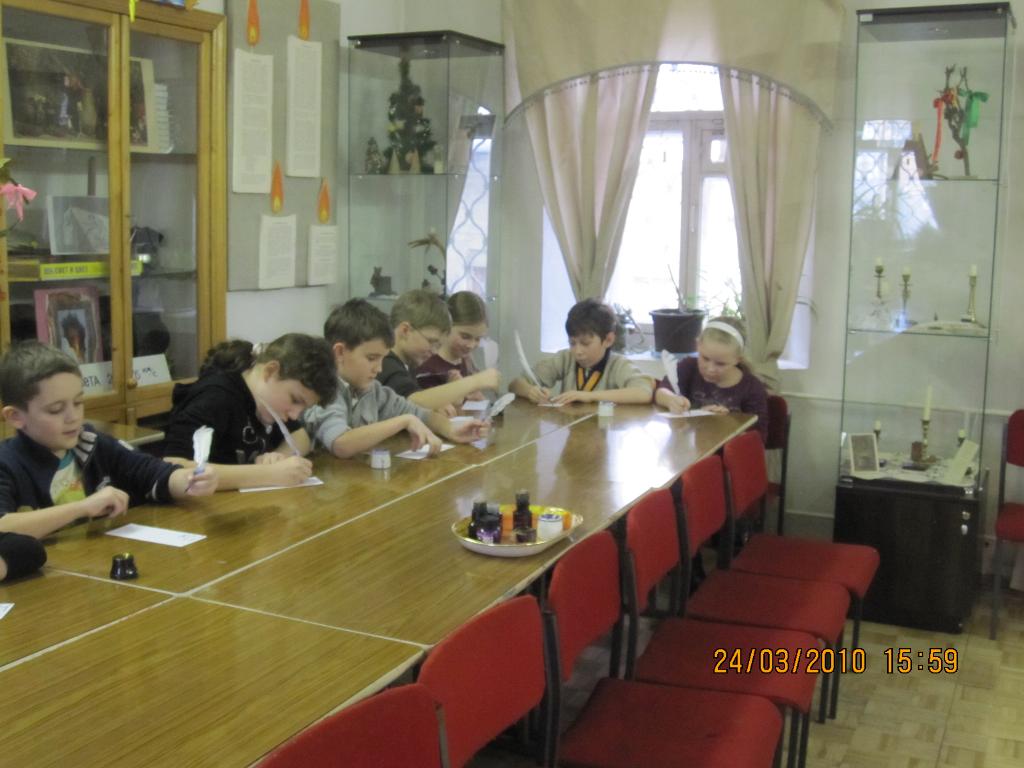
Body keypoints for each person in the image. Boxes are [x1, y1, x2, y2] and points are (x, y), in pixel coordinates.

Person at [0, 342, 218, 543]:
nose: (73, 417)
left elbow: (152, 472)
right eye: (55, 410)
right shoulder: (6, 463)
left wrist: (189, 480)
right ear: (15, 417)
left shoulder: (92, 443)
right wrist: (82, 508)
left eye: (78, 402)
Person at [304, 299, 488, 458]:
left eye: (382, 358)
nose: (379, 368)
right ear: (339, 352)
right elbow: (341, 444)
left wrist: (451, 429)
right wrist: (403, 421)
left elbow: (419, 413)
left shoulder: (373, 390)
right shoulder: (324, 391)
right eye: (371, 358)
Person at [162, 334, 336, 490]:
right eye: (295, 400)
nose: (294, 415)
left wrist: (278, 457)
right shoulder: (215, 398)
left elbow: (300, 436)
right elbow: (173, 466)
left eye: (303, 408)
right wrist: (268, 474)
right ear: (270, 371)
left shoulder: (270, 401)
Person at [509, 298, 653, 404]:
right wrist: (530, 391)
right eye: (572, 343)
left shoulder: (618, 365)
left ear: (608, 340)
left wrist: (589, 396)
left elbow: (644, 393)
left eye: (585, 343)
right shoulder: (565, 358)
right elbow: (515, 384)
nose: (578, 351)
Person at [378, 289, 500, 412]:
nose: (435, 352)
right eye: (431, 341)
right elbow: (413, 401)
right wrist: (475, 381)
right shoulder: (386, 363)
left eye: (438, 345)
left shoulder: (408, 364)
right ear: (405, 331)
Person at [653, 316, 768, 441]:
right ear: (698, 346)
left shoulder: (752, 388)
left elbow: (758, 437)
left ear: (737, 359)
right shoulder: (688, 367)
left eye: (721, 364)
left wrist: (725, 423)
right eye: (705, 358)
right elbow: (661, 392)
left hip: (728, 452)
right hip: (690, 448)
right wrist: (671, 399)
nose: (710, 369)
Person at [415, 290, 492, 400]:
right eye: (465, 336)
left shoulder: (467, 361)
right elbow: (428, 406)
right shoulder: (428, 369)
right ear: (447, 326)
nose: (471, 345)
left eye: (478, 339)